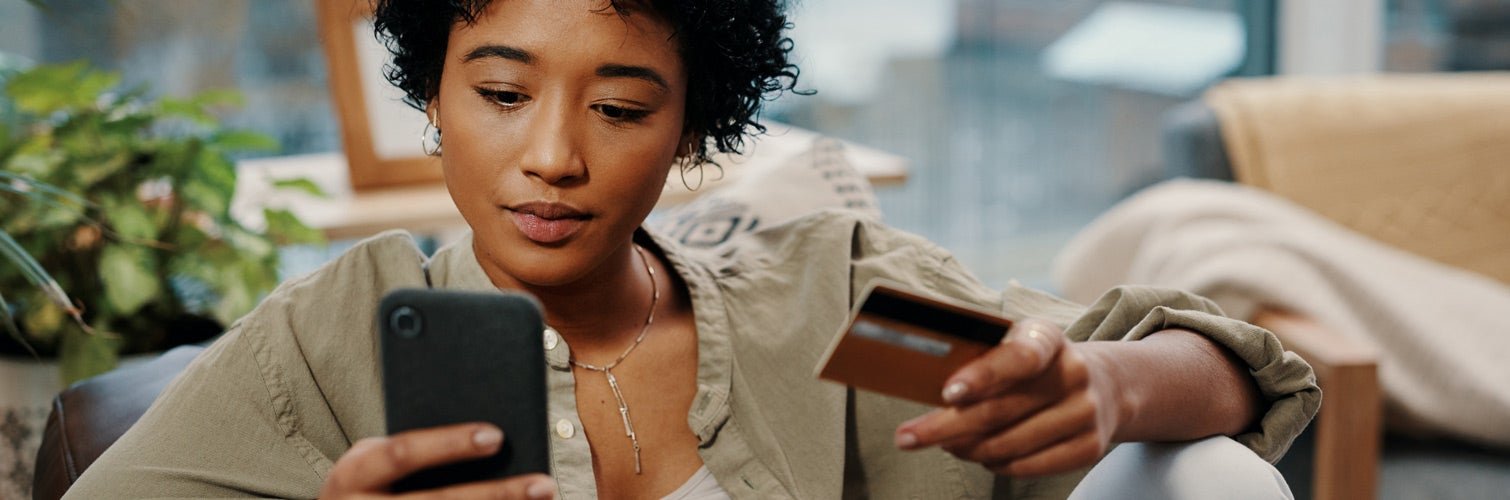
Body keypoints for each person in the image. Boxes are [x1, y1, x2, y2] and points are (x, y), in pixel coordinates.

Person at [66, 0, 1319, 498]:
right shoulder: (340, 331)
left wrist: (1102, 388)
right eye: (500, 94)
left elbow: (1223, 373)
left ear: (686, 130)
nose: (553, 155)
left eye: (619, 109)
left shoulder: (827, 313)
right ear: (433, 101)